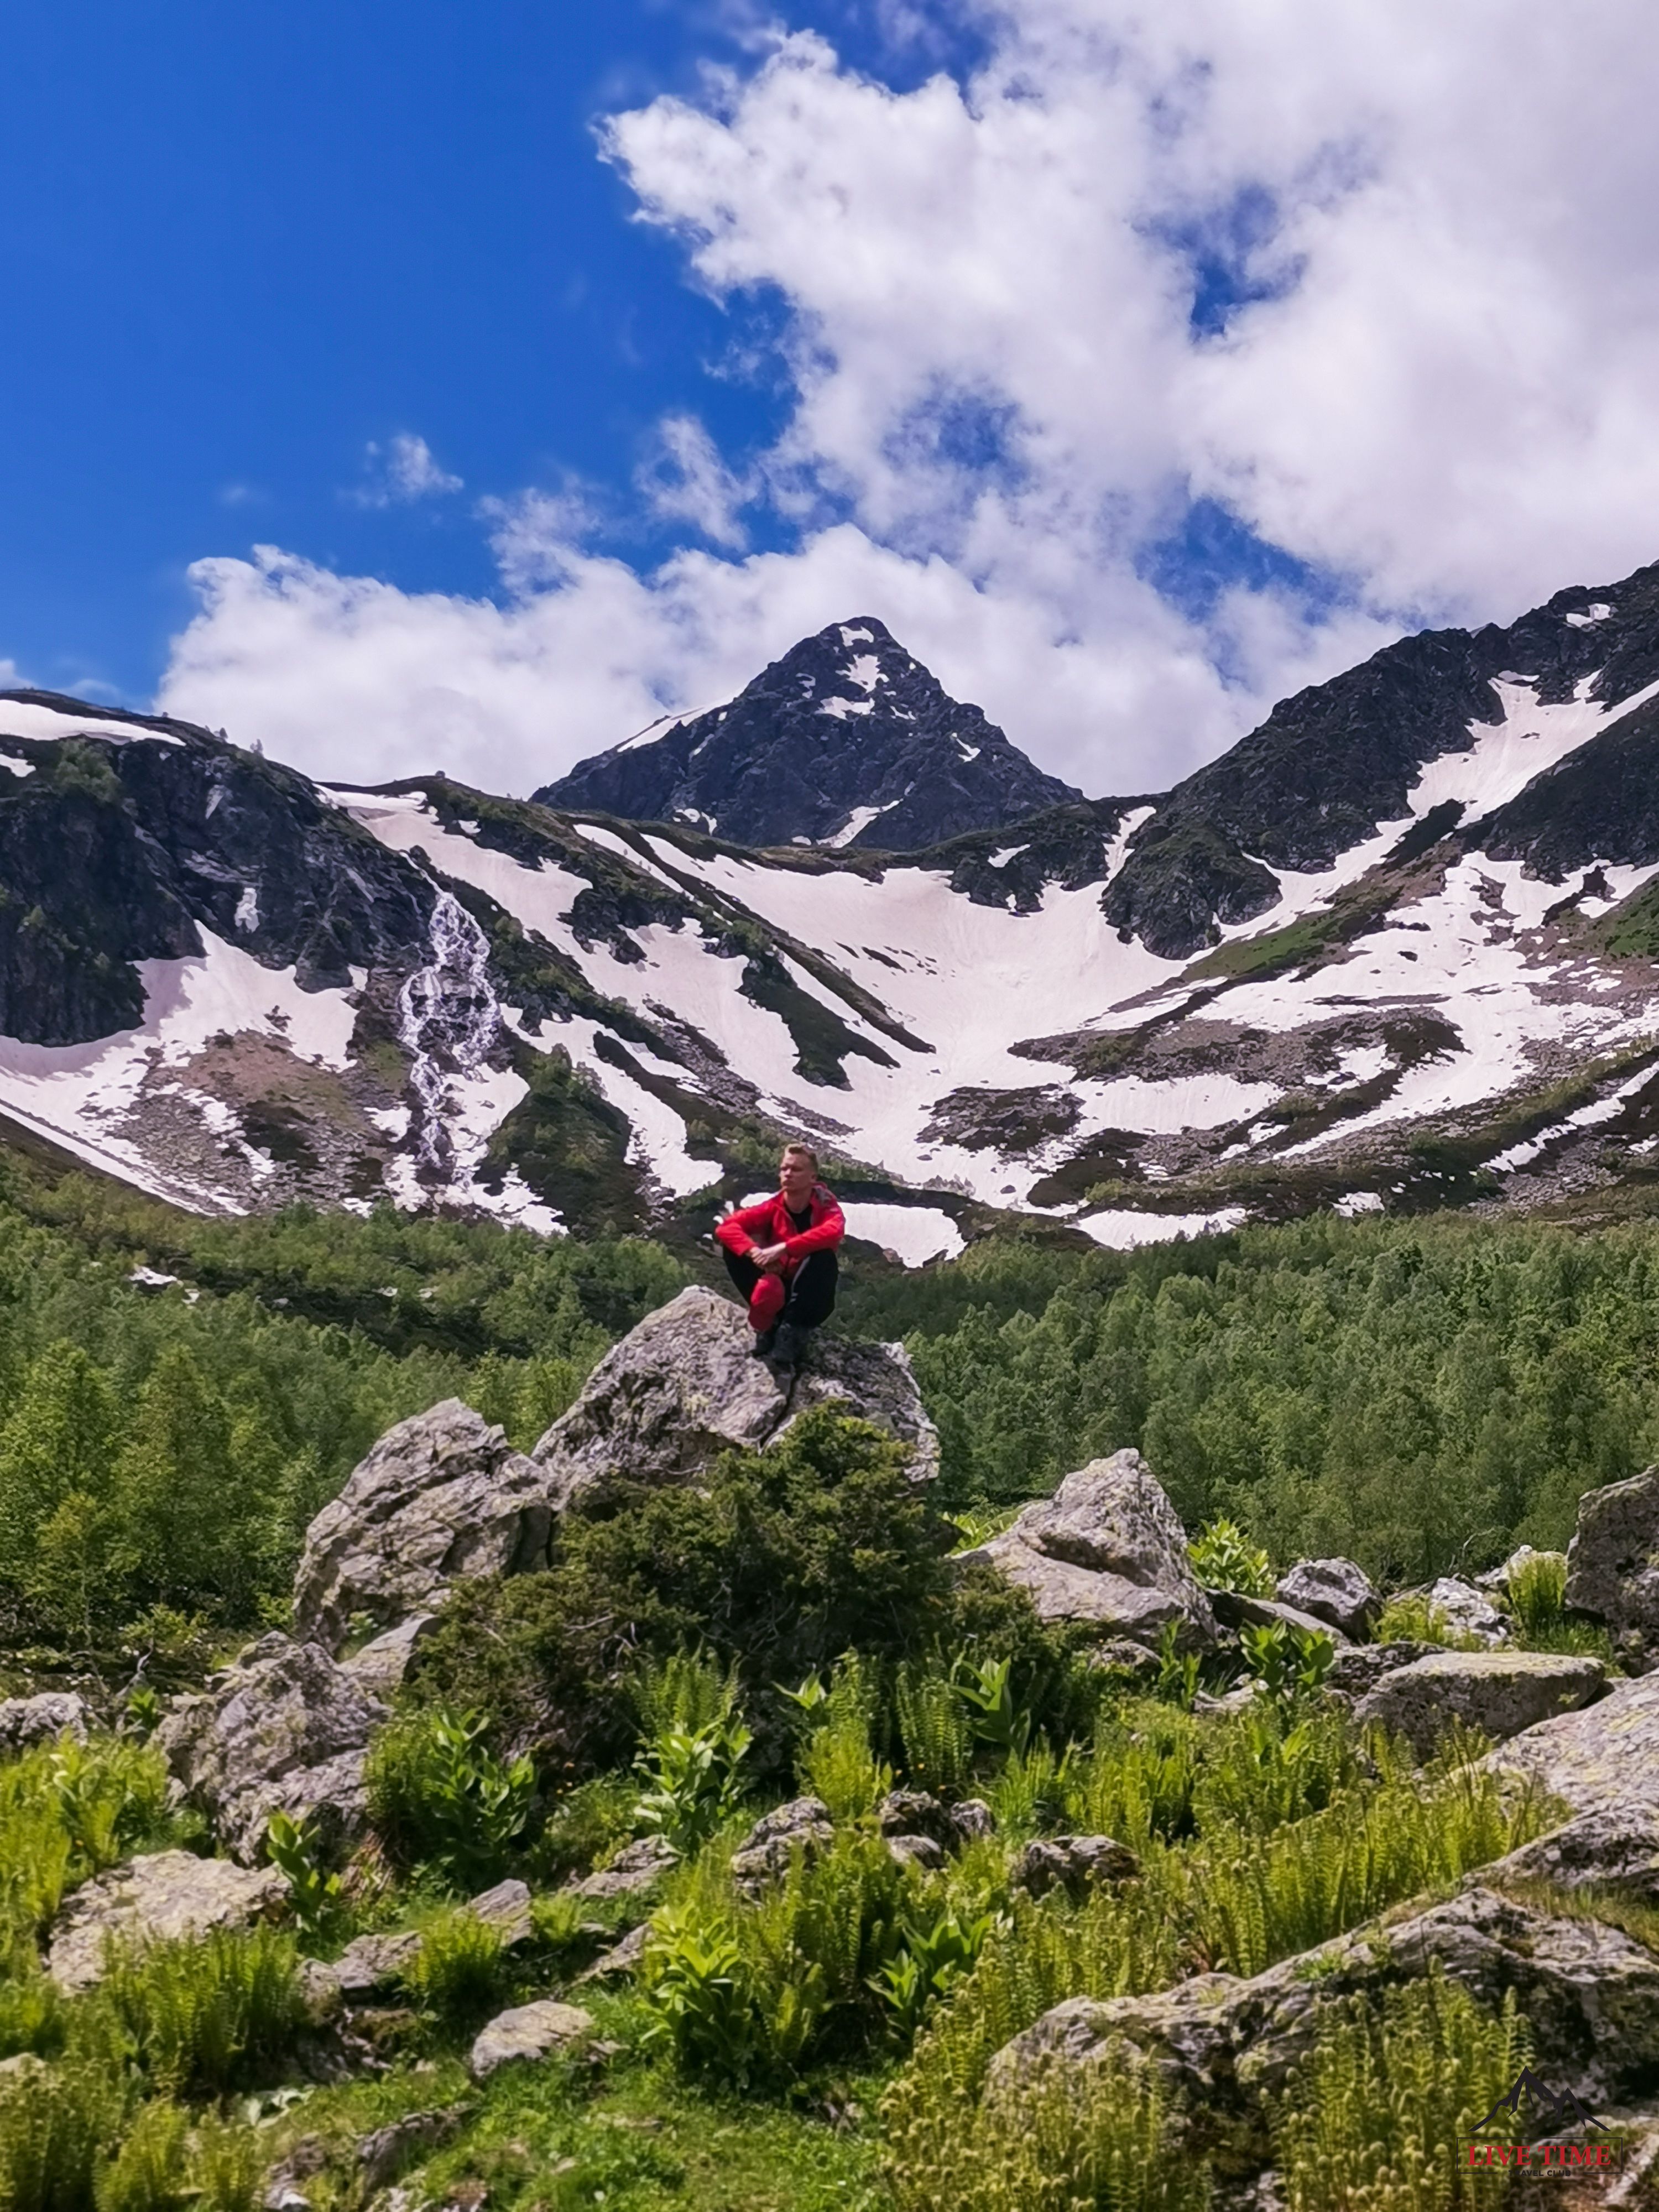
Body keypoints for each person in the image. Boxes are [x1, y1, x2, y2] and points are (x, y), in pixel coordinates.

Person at [715, 1143, 844, 1367]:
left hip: (809, 1298)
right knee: (735, 1249)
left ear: (813, 1178)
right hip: (778, 1287)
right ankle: (768, 1325)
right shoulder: (772, 1207)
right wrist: (755, 1253)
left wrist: (785, 1248)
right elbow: (727, 1228)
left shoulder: (826, 1206)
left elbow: (834, 1232)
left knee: (823, 1258)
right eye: (784, 1169)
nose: (787, 1174)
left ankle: (792, 1333)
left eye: (796, 1170)